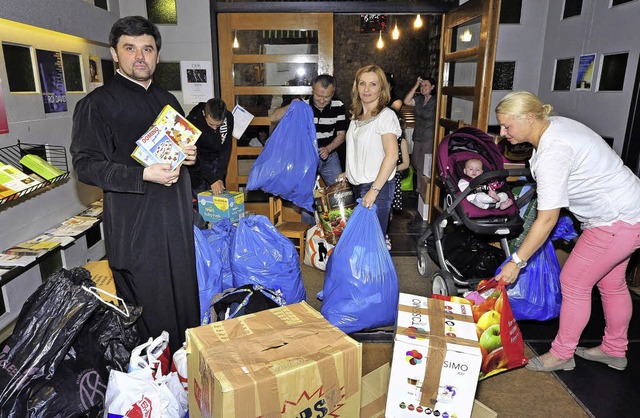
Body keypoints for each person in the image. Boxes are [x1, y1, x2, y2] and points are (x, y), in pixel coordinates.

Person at [70, 16, 200, 354]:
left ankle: (186, 374)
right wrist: (143, 173)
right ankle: (155, 386)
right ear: (115, 54)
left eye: (148, 48)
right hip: (137, 229)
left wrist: (189, 155)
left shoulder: (168, 100)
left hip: (176, 223)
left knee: (185, 302)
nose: (140, 56)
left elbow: (178, 151)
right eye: (130, 48)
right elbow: (86, 166)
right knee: (150, 316)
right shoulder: (96, 105)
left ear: (157, 55)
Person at [493, 91, 640, 372]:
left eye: (507, 126)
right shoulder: (553, 126)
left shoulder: (554, 151)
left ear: (530, 118)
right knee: (612, 284)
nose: (502, 132)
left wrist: (516, 261)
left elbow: (547, 219)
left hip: (614, 221)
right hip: (630, 213)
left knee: (573, 282)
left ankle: (562, 354)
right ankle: (614, 349)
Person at [338, 64, 401, 242]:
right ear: (356, 87)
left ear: (382, 88)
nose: (366, 89)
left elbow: (392, 156)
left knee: (372, 244)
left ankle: (376, 272)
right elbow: (360, 151)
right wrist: (348, 172)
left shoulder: (385, 116)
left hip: (377, 187)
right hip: (359, 186)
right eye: (362, 83)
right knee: (362, 241)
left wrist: (373, 191)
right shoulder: (356, 116)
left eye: (373, 84)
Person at [271, 74, 348, 186]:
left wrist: (328, 149)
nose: (322, 101)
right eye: (318, 96)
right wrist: (291, 105)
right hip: (304, 156)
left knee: (339, 189)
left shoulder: (339, 105)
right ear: (312, 90)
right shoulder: (303, 105)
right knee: (300, 191)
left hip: (329, 155)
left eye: (326, 97)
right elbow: (273, 118)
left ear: (333, 93)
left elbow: (341, 135)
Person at [186, 98, 234, 198]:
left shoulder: (228, 118)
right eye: (211, 124)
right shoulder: (192, 121)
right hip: (198, 167)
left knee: (218, 200)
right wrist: (212, 179)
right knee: (200, 202)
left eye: (218, 125)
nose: (215, 128)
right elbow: (196, 155)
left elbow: (226, 149)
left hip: (217, 165)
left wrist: (219, 176)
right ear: (204, 113)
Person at [403, 75, 436, 178]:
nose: (423, 87)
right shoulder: (419, 100)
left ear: (432, 87)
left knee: (424, 165)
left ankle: (422, 191)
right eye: (422, 85)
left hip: (429, 137)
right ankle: (420, 188)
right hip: (418, 136)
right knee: (415, 162)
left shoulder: (436, 101)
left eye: (426, 85)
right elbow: (406, 101)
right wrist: (416, 84)